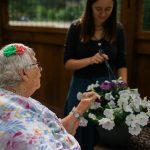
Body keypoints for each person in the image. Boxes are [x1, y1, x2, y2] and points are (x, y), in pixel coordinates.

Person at [0, 43, 99, 150]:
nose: (40, 70)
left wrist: (82, 107)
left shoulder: (13, 98)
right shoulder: (22, 129)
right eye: (36, 64)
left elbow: (55, 130)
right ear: (24, 73)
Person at [64, 0, 127, 149]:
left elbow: (122, 63)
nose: (103, 13)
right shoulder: (76, 27)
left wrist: (124, 90)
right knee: (77, 130)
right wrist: (90, 60)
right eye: (98, 9)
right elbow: (67, 63)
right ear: (89, 7)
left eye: (108, 9)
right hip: (80, 86)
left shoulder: (117, 29)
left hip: (106, 88)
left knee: (102, 132)